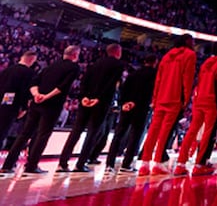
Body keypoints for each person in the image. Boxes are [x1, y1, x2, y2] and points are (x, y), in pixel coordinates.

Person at [1, 45, 81, 175]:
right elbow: (63, 87)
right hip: (51, 105)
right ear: (75, 55)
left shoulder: (51, 66)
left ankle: (8, 164)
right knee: (42, 135)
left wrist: (36, 95)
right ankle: (31, 166)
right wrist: (45, 97)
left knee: (24, 134)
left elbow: (34, 83)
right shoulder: (74, 67)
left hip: (36, 103)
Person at [58, 43, 125, 173]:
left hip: (85, 101)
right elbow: (110, 85)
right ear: (117, 52)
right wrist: (98, 98)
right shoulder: (118, 65)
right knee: (92, 134)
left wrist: (83, 97)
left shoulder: (95, 63)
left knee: (76, 131)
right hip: (101, 103)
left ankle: (63, 162)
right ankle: (81, 163)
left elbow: (85, 80)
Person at [139, 34, 197, 176]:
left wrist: (155, 97)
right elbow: (187, 78)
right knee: (165, 132)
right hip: (175, 97)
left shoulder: (167, 56)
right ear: (187, 41)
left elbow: (158, 79)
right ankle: (158, 163)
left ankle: (144, 164)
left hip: (161, 97)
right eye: (192, 41)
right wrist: (186, 99)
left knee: (153, 130)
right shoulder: (189, 55)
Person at [174, 41, 217, 176]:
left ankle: (180, 164)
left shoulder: (205, 63)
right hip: (212, 102)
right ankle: (200, 164)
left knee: (191, 131)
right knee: (208, 134)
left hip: (199, 100)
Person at [105, 55, 157, 173]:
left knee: (118, 134)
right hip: (142, 108)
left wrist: (124, 103)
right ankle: (126, 164)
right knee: (135, 137)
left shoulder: (133, 74)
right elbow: (149, 92)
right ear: (155, 62)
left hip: (127, 106)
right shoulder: (155, 74)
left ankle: (110, 164)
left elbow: (124, 89)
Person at [0, 51, 37, 149]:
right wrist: (24, 107)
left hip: (3, 102)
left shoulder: (8, 69)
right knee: (2, 131)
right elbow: (25, 91)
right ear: (31, 60)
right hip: (11, 106)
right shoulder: (29, 73)